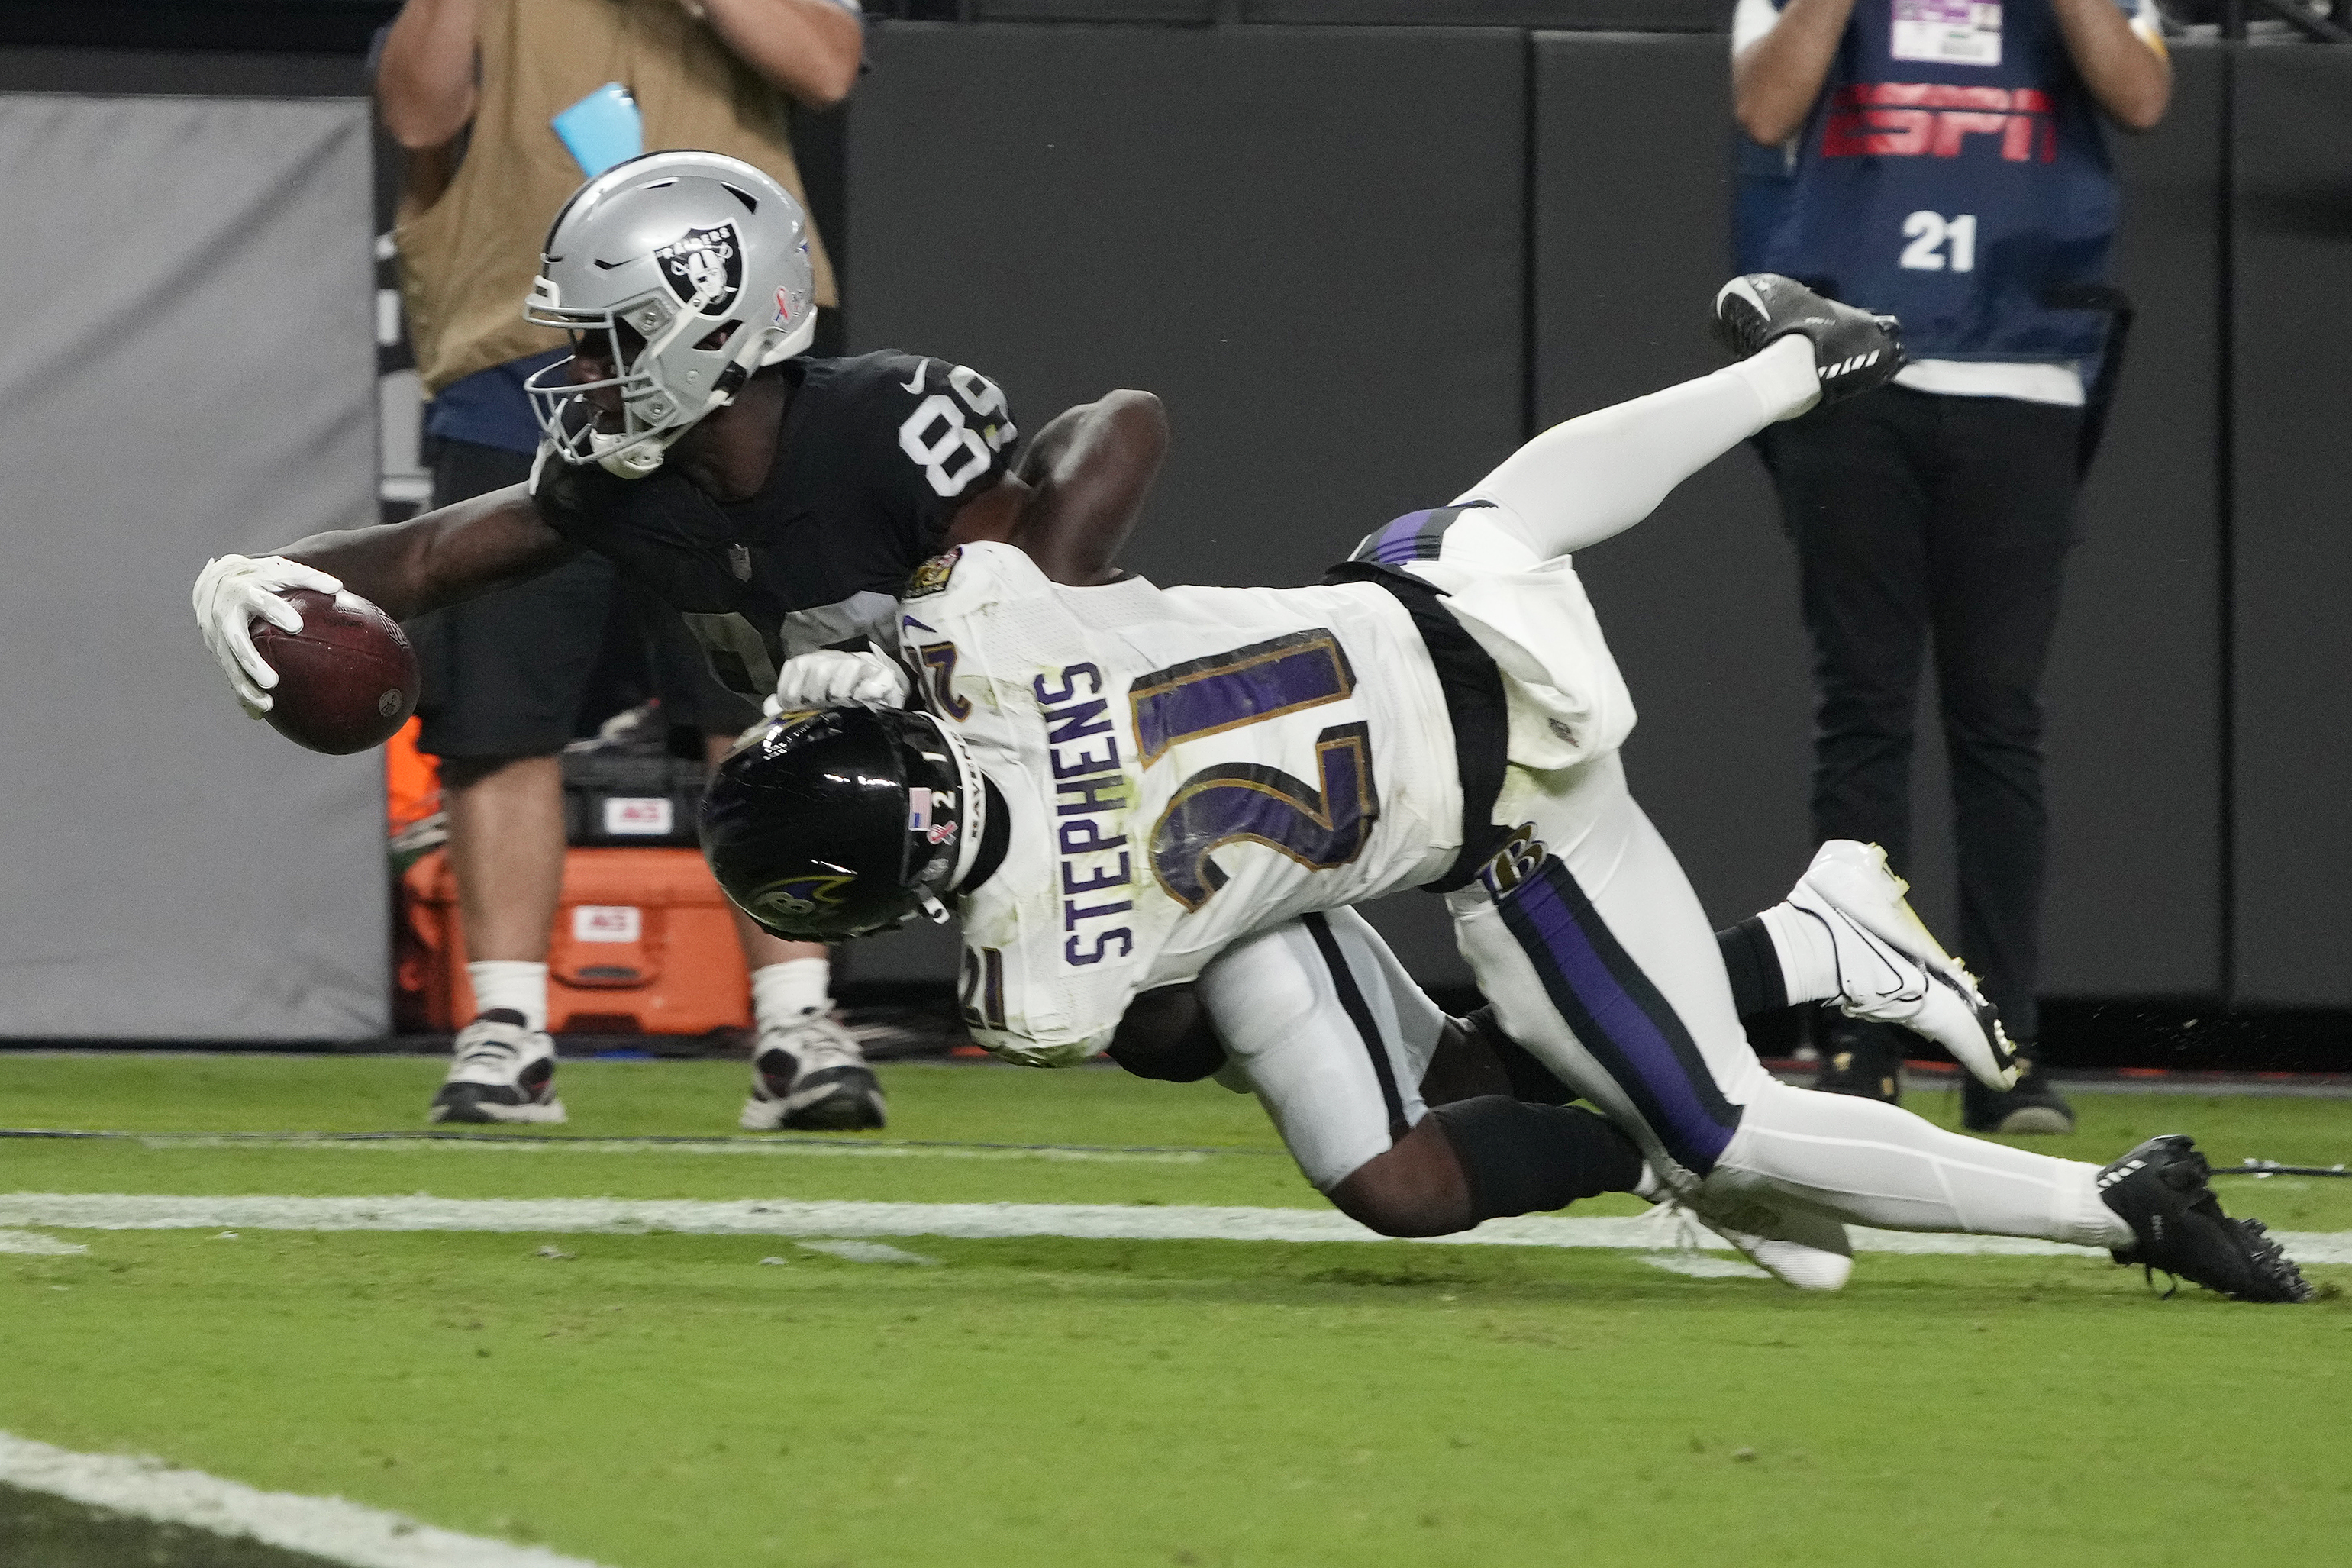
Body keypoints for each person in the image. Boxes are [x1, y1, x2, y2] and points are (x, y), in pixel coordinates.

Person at [702, 276, 2308, 1303]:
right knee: (1478, 523)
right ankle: (1788, 373)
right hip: (1451, 615)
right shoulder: (979, 613)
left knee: (1707, 1120)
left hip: (1510, 829)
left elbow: (1089, 951)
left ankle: (2110, 1202)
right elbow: (1040, 528)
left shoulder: (1035, 974)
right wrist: (869, 646)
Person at [192, 151, 1027, 1131]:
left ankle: (801, 1022)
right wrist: (265, 574)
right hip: (907, 821)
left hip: (1030, 766)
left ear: (714, 326)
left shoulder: (883, 425)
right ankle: (531, 1030)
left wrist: (909, 651)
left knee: (1165, 1022)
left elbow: (1067, 529)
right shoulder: (626, 477)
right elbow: (424, 557)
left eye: (607, 344)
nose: (584, 375)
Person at [373, 0, 866, 1125]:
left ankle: (796, 1020)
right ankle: (506, 1030)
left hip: (741, 368)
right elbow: (417, 110)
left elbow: (827, 65)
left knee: (765, 700)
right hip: (530, 365)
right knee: (499, 716)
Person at [1729, 0, 2172, 1131]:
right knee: (1863, 712)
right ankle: (1859, 1042)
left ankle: (2003, 1050)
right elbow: (1764, 105)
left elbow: (2141, 96)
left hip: (2020, 371)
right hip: (1854, 369)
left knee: (1997, 718)